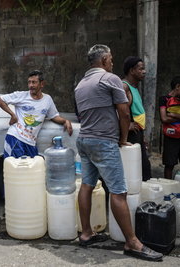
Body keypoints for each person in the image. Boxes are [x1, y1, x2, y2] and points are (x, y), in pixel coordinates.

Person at [75, 44, 162, 261]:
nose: (112, 63)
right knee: (118, 191)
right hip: (103, 142)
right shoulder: (110, 78)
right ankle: (132, 242)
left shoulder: (80, 85)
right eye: (111, 59)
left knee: (86, 185)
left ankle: (85, 233)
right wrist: (122, 140)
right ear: (104, 59)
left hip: (84, 140)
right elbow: (124, 113)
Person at [0, 70, 73, 158]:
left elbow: (54, 116)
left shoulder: (47, 99)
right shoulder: (21, 95)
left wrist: (65, 121)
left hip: (31, 143)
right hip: (16, 138)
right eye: (29, 82)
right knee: (15, 168)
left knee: (33, 169)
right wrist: (13, 115)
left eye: (34, 82)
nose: (31, 85)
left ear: (42, 84)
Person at [122, 56, 152, 181]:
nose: (144, 71)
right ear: (132, 70)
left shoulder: (133, 88)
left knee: (143, 167)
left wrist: (141, 135)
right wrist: (128, 126)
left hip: (137, 133)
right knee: (138, 169)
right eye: (141, 69)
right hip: (129, 135)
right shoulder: (125, 87)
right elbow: (116, 111)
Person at [159, 76, 180, 179]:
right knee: (169, 165)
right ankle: (168, 187)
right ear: (177, 86)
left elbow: (168, 117)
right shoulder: (164, 99)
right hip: (170, 137)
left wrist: (173, 115)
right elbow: (164, 119)